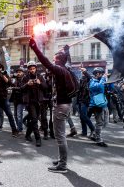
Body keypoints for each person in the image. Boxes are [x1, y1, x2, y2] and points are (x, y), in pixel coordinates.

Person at [29, 38, 76, 173]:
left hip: (61, 106)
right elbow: (66, 59)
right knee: (61, 135)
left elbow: (45, 61)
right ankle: (62, 159)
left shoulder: (60, 70)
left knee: (60, 136)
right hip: (65, 105)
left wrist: (35, 47)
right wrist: (66, 51)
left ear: (58, 61)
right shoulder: (65, 68)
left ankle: (62, 165)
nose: (53, 61)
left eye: (55, 59)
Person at [0, 62, 18, 137]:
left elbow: (9, 82)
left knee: (10, 115)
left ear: (1, 68)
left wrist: (2, 75)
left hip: (4, 98)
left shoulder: (5, 74)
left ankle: (14, 131)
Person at [20, 61, 47, 146]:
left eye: (33, 68)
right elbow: (21, 88)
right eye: (30, 69)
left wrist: (40, 83)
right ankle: (38, 139)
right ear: (28, 69)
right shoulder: (25, 77)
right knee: (34, 120)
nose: (32, 70)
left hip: (39, 102)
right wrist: (27, 84)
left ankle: (27, 134)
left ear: (36, 68)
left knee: (33, 120)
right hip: (30, 102)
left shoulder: (40, 76)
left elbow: (46, 87)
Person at [88, 67, 108, 147]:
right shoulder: (92, 81)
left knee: (105, 122)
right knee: (99, 122)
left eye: (103, 74)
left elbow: (110, 88)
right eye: (101, 73)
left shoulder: (101, 81)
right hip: (96, 105)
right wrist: (103, 79)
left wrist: (110, 82)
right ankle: (98, 139)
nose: (103, 75)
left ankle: (94, 135)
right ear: (97, 74)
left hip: (103, 104)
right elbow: (99, 87)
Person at [77, 68, 95, 136]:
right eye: (81, 71)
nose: (82, 72)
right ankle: (84, 132)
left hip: (85, 100)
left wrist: (84, 71)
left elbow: (89, 77)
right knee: (81, 117)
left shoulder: (89, 79)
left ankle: (93, 128)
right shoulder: (81, 79)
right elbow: (79, 90)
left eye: (83, 71)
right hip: (80, 100)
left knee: (84, 116)